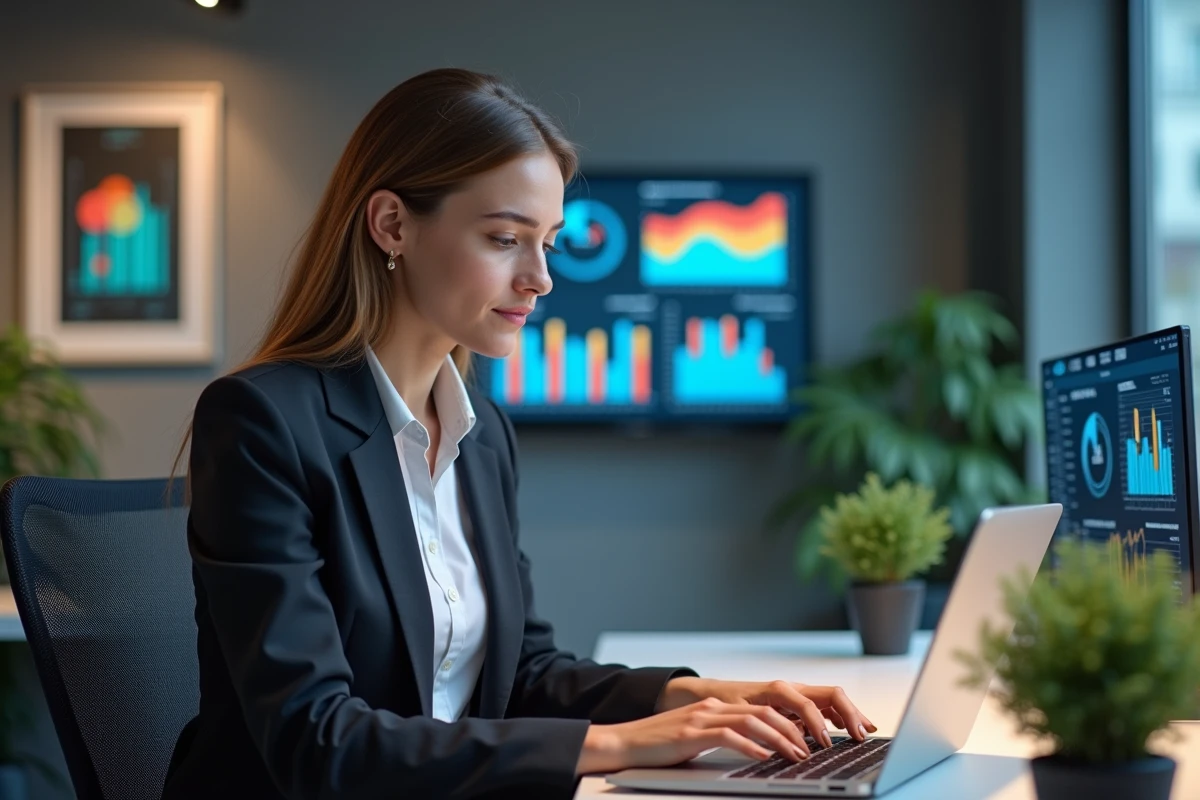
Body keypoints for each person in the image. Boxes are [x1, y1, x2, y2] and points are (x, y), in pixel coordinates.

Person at [161, 67, 876, 800]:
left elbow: (521, 672)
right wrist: (618, 744)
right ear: (392, 225)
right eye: (505, 238)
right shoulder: (263, 423)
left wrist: (701, 698)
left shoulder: (481, 434)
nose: (540, 278)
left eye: (549, 244)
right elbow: (315, 740)